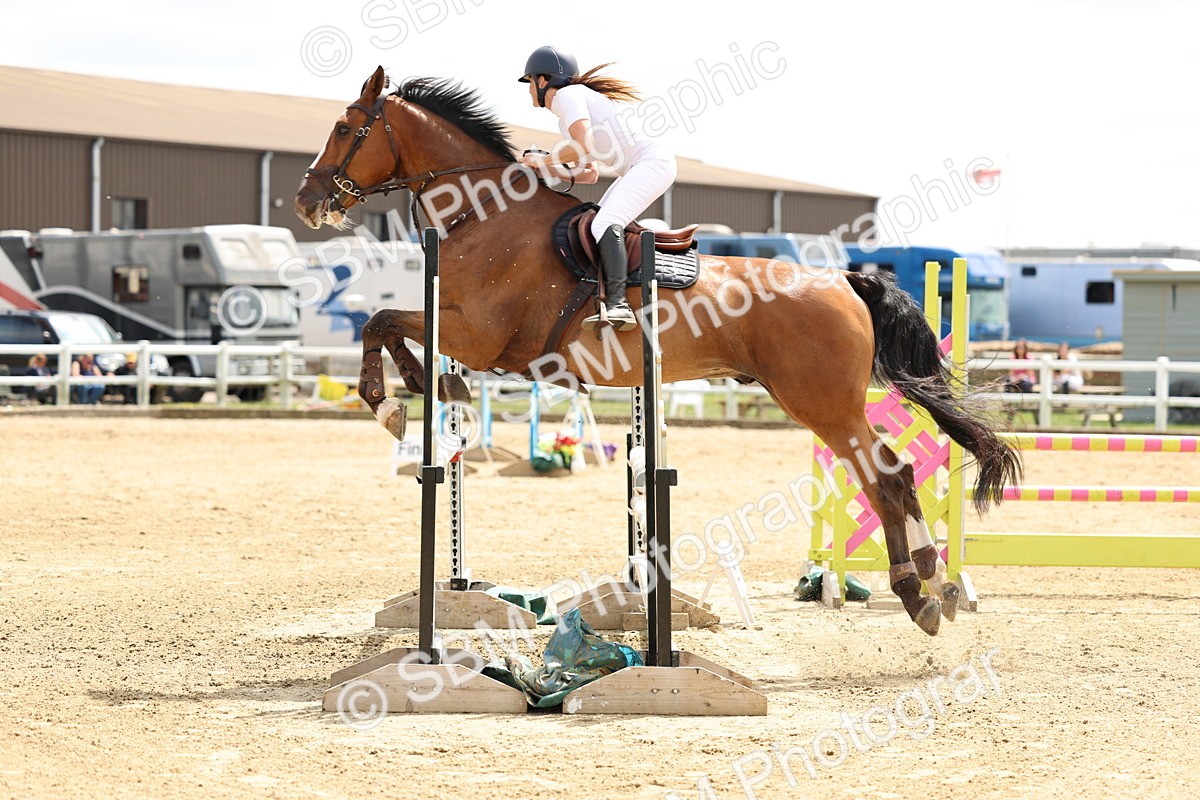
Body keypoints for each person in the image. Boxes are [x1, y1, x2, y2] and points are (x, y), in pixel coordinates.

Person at [518, 45, 678, 331]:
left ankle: (619, 304)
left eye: (529, 81)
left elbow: (584, 146)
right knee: (595, 222)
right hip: (635, 168)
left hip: (652, 162)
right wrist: (543, 168)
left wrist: (543, 159)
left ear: (543, 80)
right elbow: (589, 174)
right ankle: (606, 294)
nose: (529, 89)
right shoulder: (566, 117)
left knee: (605, 222)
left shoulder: (568, 95)